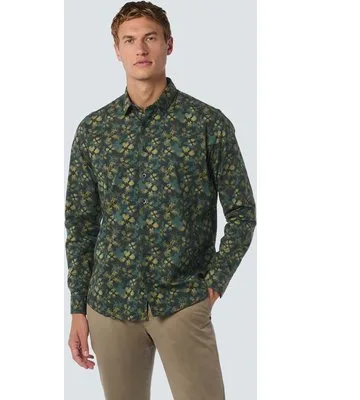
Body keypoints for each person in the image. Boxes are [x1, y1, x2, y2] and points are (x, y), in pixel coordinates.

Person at [65, 2, 256, 399]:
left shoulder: (207, 124)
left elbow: (242, 212)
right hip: (110, 304)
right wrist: (78, 308)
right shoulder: (94, 130)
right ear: (116, 50)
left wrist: (214, 284)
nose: (140, 49)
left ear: (169, 44)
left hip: (183, 302)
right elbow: (81, 225)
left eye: (150, 38)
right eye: (129, 40)